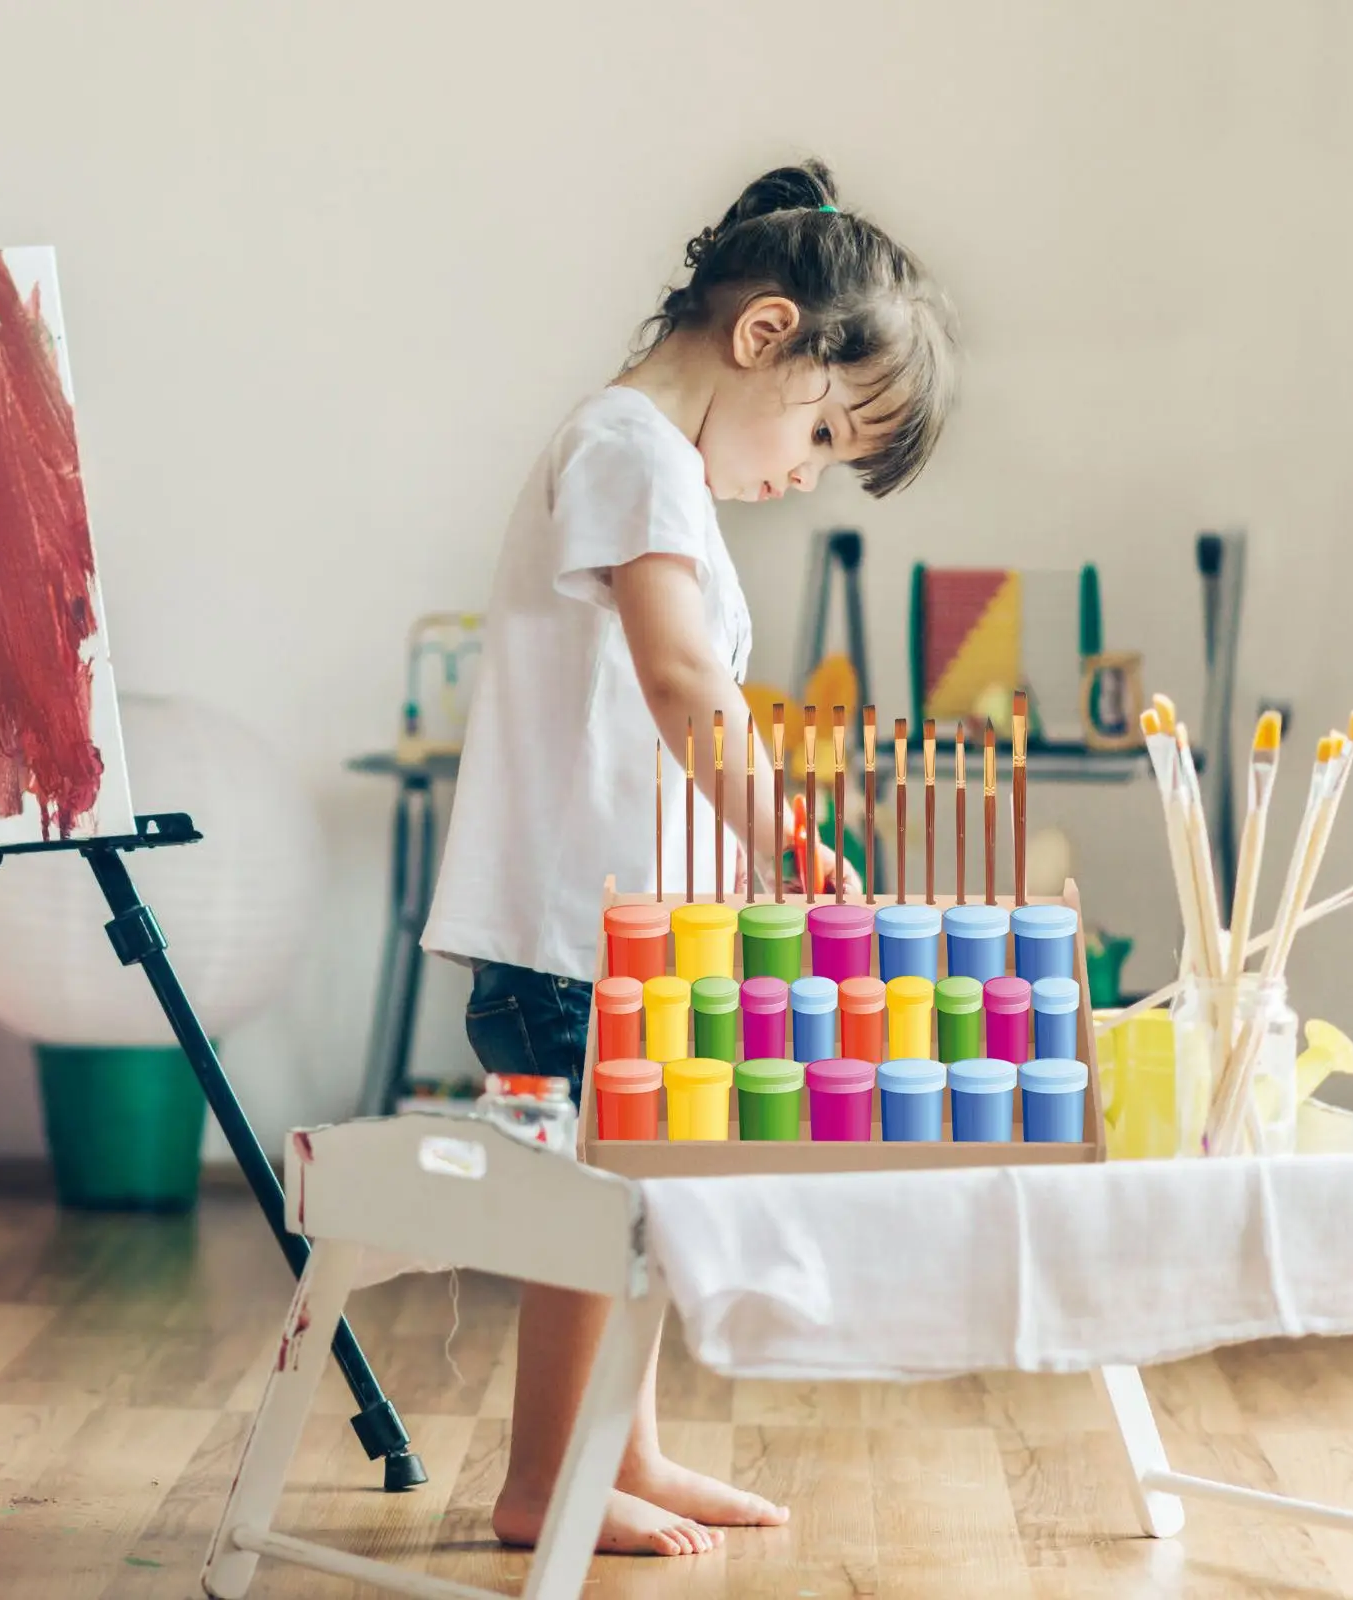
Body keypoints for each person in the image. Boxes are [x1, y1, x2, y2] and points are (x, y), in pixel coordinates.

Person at [421, 158, 957, 1558]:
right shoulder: (628, 450)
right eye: (826, 433)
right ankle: (546, 1475)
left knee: (644, 1200)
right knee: (597, 1204)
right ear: (766, 333)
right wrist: (789, 837)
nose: (806, 474)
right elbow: (677, 681)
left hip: (626, 925)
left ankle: (626, 1448)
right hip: (569, 932)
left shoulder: (654, 467)